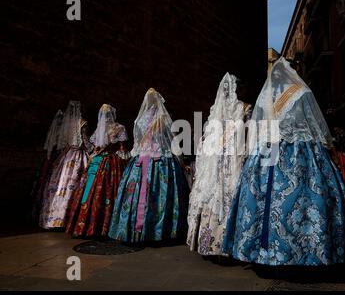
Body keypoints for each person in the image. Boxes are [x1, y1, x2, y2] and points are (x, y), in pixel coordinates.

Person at [223, 58, 345, 266]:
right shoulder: (302, 91)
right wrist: (328, 147)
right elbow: (315, 123)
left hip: (266, 150)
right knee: (308, 194)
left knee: (261, 197)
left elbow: (258, 127)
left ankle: (263, 252)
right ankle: (308, 250)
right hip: (301, 150)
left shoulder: (266, 96)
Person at [108, 89, 189, 243]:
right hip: (160, 160)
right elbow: (171, 141)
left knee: (137, 193)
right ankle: (158, 231)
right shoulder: (163, 118)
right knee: (160, 194)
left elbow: (138, 142)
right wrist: (181, 161)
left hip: (141, 159)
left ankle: (134, 229)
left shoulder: (140, 119)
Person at [187, 73, 246, 256]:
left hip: (218, 163)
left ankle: (209, 243)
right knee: (229, 193)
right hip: (232, 160)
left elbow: (206, 141)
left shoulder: (215, 112)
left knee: (214, 196)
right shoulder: (243, 108)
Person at [65, 104, 129, 237]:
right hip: (112, 162)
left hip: (96, 161)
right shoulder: (119, 128)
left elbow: (95, 148)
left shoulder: (99, 130)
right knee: (110, 190)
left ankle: (86, 224)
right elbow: (122, 149)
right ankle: (107, 225)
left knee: (89, 191)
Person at [39, 101, 93, 229]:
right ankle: (69, 219)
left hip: (65, 156)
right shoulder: (82, 123)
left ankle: (54, 218)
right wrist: (94, 150)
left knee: (60, 185)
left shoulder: (65, 124)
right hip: (77, 156)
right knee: (75, 185)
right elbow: (85, 142)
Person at [31, 109, 65, 222]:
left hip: (53, 158)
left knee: (48, 183)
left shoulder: (61, 131)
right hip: (58, 157)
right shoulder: (62, 131)